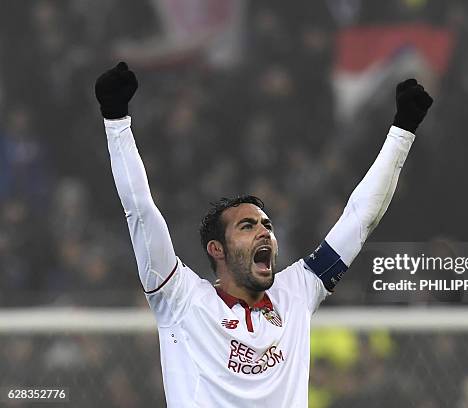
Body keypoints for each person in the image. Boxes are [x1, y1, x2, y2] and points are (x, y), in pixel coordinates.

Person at [95, 61, 432, 407]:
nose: (264, 232)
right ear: (217, 249)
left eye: (267, 225)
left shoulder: (297, 292)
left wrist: (402, 132)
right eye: (247, 225)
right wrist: (116, 122)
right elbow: (140, 210)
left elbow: (360, 219)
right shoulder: (180, 299)